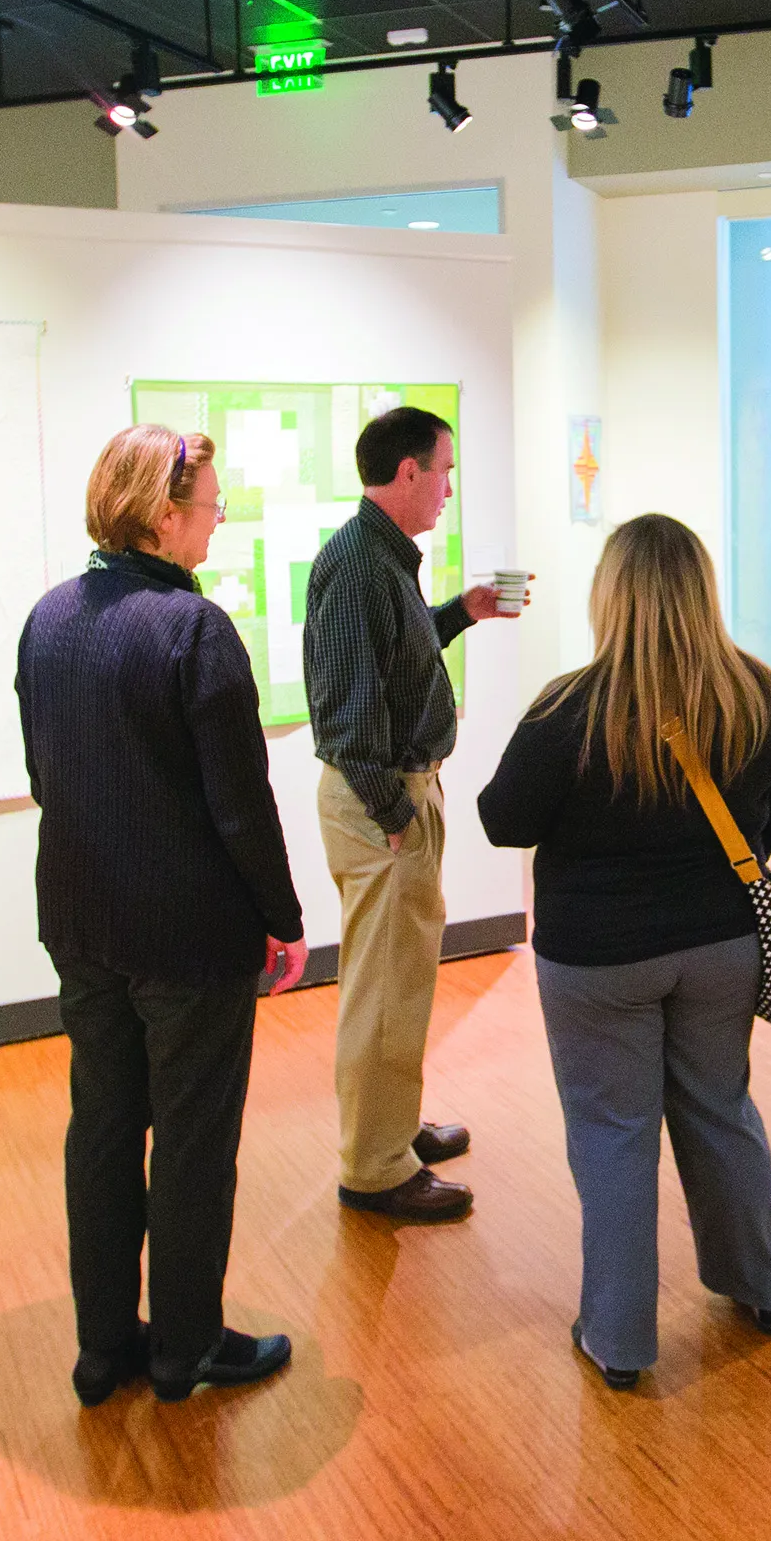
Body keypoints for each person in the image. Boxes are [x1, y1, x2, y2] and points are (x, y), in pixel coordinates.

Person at [18, 425, 311, 1406]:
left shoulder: (47, 620)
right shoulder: (195, 630)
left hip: (79, 923)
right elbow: (239, 803)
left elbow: (40, 775)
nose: (217, 518)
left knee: (101, 1128)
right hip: (187, 939)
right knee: (189, 1140)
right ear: (160, 514)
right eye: (209, 504)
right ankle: (185, 1349)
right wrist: (281, 915)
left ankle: (103, 1350)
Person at [477, 515, 771, 1390]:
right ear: (701, 589)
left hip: (596, 961)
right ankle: (760, 1289)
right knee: (719, 1111)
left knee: (615, 1136)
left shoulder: (567, 708)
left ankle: (618, 1339)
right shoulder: (759, 698)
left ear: (608, 595)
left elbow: (503, 819)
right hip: (720, 946)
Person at [301, 406, 527, 1224]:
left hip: (396, 793)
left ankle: (390, 1129)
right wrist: (395, 810)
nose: (447, 488)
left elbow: (395, 658)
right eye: (444, 472)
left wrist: (463, 610)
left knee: (399, 979)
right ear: (407, 473)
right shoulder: (358, 564)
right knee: (383, 988)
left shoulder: (382, 559)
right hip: (381, 800)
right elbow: (342, 713)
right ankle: (373, 1169)